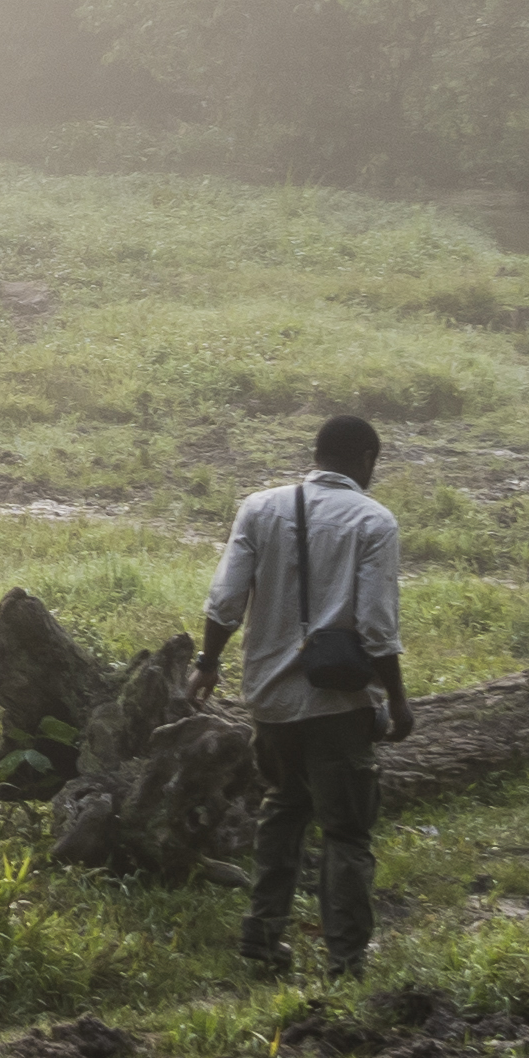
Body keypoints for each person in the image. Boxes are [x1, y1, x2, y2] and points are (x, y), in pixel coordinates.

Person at [198, 413, 411, 978]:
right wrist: (398, 699)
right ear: (366, 460)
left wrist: (208, 664)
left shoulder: (261, 507)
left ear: (316, 454)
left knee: (285, 810)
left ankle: (263, 939)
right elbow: (376, 626)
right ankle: (345, 960)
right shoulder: (374, 521)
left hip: (269, 701)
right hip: (339, 704)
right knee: (346, 832)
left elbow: (225, 601)